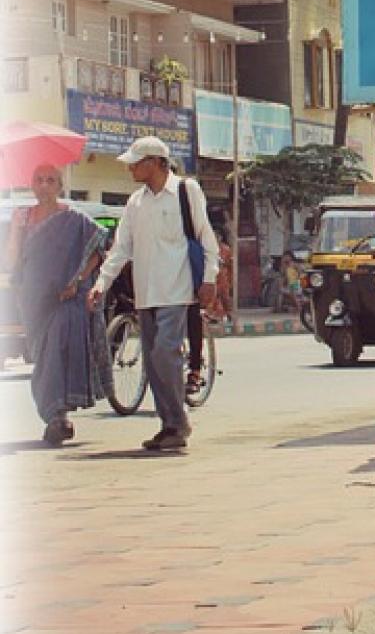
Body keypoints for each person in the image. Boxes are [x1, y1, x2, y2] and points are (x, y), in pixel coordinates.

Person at [87, 137, 219, 452]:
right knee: (153, 361)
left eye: (136, 162)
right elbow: (121, 248)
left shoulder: (186, 191)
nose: (130, 168)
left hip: (178, 290)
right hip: (146, 293)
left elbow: (206, 237)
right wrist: (101, 283)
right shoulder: (136, 203)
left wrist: (210, 278)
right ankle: (169, 425)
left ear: (156, 163)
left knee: (164, 353)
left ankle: (179, 422)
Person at [6, 165, 109, 445]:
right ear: (32, 184)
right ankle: (56, 414)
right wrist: (16, 231)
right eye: (39, 180)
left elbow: (98, 250)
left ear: (60, 186)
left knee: (57, 351)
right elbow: (14, 259)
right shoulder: (22, 217)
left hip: (65, 296)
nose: (44, 185)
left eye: (50, 180)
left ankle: (57, 416)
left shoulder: (73, 218)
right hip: (33, 297)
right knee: (42, 356)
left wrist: (77, 281)